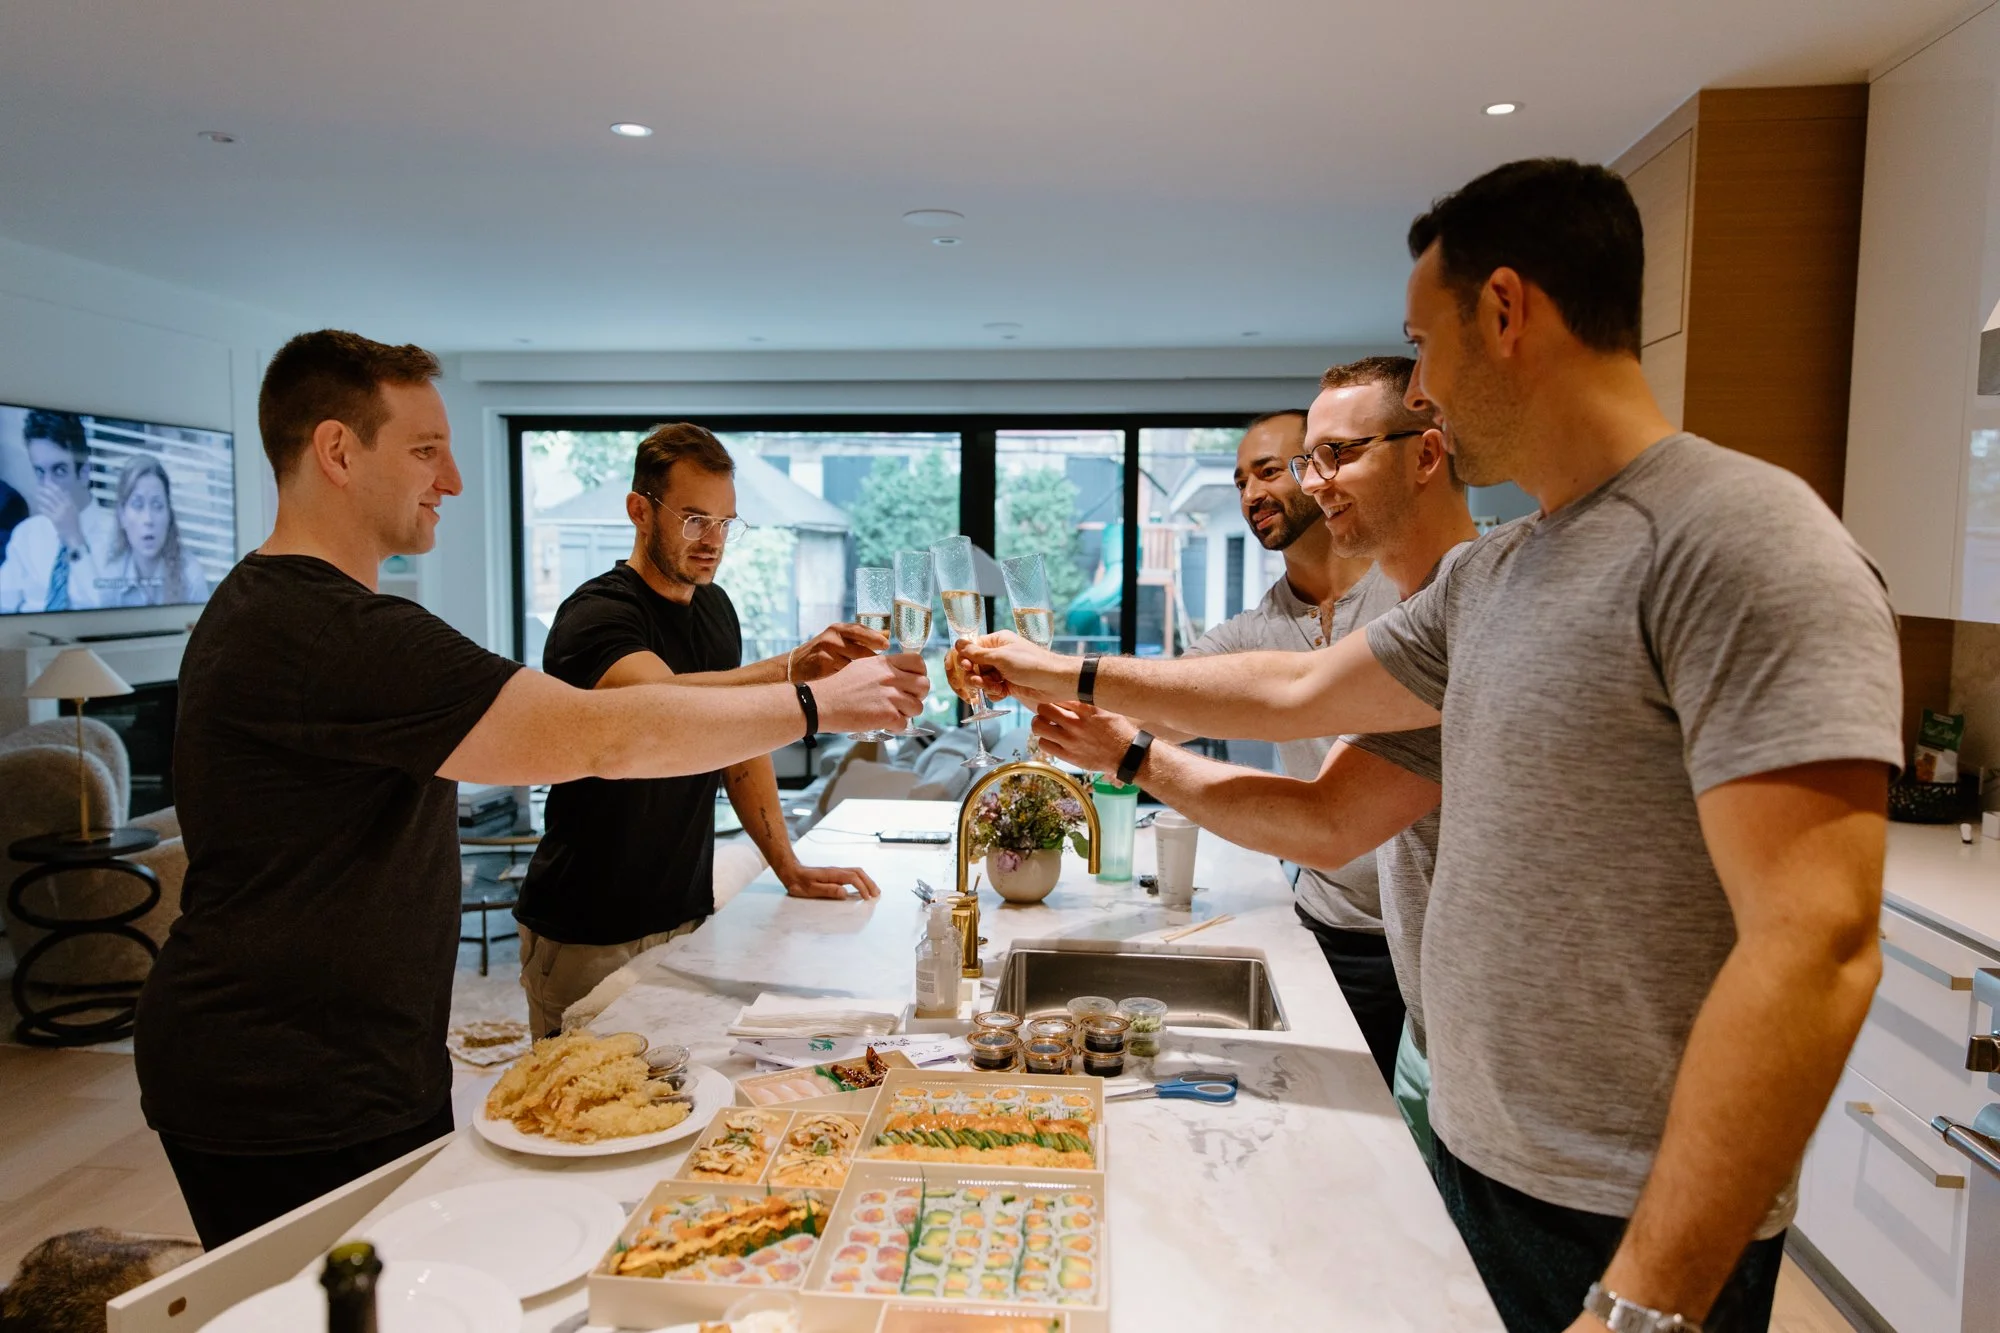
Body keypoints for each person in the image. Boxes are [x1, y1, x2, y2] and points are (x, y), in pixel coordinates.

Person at [963, 159, 1900, 1333]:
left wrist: (1643, 1303)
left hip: (1621, 1215)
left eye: (1425, 343)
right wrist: (1067, 672)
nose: (1424, 387)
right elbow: (1298, 685)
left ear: (1504, 312)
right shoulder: (1494, 573)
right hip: (1471, 1143)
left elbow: (1816, 945)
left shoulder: (1739, 541)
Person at [135, 330, 927, 1250]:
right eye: (426, 449)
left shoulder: (285, 610)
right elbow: (602, 733)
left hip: (350, 1061)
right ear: (337, 451)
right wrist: (814, 701)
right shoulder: (331, 631)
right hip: (289, 1080)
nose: (455, 479)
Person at [1034, 354, 1475, 1151]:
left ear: (1427, 452)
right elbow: (1193, 695)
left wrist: (1082, 689)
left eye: (1301, 463)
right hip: (1405, 980)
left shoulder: (1451, 603)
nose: (1265, 490)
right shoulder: (1280, 621)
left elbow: (1301, 710)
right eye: (1312, 460)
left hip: (1475, 1020)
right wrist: (1067, 705)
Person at [514, 422, 886, 1037]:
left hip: (686, 918)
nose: (713, 541)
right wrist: (791, 671)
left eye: (724, 522)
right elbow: (660, 707)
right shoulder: (596, 615)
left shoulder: (716, 609)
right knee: (580, 1118)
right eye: (693, 519)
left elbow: (737, 746)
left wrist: (786, 865)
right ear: (640, 510)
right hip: (586, 930)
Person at [1149, 407, 1407, 1082]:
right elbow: (1162, 702)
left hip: (1434, 938)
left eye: (1267, 471)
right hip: (1336, 931)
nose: (1250, 495)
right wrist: (1039, 681)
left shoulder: (1406, 594)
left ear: (1317, 471)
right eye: (1239, 481)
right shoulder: (1256, 627)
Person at [0, 409, 118, 612]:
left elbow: (111, 616)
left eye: (59, 470)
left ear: (84, 473)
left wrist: (73, 538)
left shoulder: (122, 534)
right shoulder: (26, 535)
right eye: (40, 472)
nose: (48, 485)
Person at [90, 455, 209, 607]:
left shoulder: (191, 576)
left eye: (158, 505)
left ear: (169, 515)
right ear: (122, 516)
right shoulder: (107, 576)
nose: (148, 519)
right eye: (138, 505)